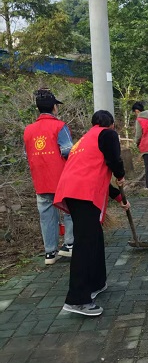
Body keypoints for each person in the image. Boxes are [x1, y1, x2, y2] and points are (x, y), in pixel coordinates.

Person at [54, 110, 130, 316]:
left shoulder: (86, 139)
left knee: (94, 237)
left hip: (74, 191)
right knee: (85, 244)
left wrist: (120, 198)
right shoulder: (107, 134)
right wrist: (120, 175)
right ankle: (77, 300)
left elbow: (93, 173)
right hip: (82, 194)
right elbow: (114, 160)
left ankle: (96, 283)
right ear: (111, 124)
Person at [23, 89, 75, 265]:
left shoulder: (28, 130)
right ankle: (69, 245)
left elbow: (27, 154)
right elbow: (68, 151)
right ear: (54, 107)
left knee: (46, 216)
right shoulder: (60, 126)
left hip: (40, 180)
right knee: (69, 210)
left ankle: (50, 253)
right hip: (61, 179)